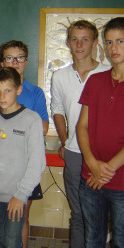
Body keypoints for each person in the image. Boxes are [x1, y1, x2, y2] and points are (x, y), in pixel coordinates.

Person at [50, 20, 111, 248]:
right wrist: (65, 142)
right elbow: (57, 110)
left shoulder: (109, 73)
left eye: (85, 39)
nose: (79, 44)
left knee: (105, 215)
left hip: (106, 155)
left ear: (95, 42)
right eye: (74, 39)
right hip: (75, 153)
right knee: (78, 215)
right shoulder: (59, 76)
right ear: (67, 42)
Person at [0, 40, 48, 248]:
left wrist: (20, 195)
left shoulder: (32, 120)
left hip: (16, 196)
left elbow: (37, 162)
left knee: (13, 242)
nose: (2, 96)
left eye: (7, 91)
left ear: (19, 90)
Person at [76, 17, 124, 248]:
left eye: (120, 41)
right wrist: (92, 163)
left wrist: (107, 169)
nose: (114, 48)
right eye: (109, 42)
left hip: (121, 182)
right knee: (92, 240)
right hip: (91, 179)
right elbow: (81, 126)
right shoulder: (95, 81)